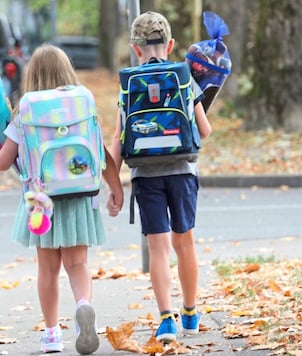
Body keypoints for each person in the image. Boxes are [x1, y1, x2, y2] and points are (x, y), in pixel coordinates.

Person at [0, 44, 124, 354]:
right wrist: (115, 186)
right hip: (80, 196)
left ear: (32, 76)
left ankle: (52, 334)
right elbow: (98, 150)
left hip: (42, 201)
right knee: (78, 263)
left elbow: (2, 163)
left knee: (48, 269)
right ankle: (83, 307)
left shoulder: (24, 110)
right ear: (67, 71)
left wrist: (1, 141)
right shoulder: (82, 103)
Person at [110, 11, 212, 344]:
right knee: (185, 242)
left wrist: (113, 183)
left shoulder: (129, 84)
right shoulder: (184, 77)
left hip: (145, 176)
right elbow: (205, 130)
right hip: (182, 172)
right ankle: (191, 311)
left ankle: (166, 318)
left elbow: (118, 137)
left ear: (135, 48)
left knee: (157, 247)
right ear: (169, 44)